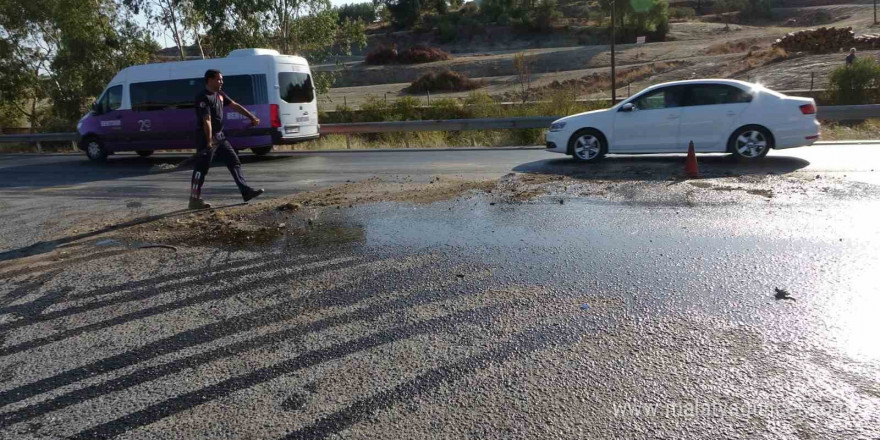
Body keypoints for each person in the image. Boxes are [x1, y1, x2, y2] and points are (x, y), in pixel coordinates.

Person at [189, 69, 265, 209]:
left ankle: (246, 191)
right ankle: (194, 199)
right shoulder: (203, 97)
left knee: (234, 161)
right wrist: (208, 141)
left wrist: (251, 117)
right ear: (210, 80)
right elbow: (207, 121)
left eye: (221, 79)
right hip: (205, 137)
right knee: (201, 168)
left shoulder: (220, 94)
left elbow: (235, 105)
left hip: (220, 136)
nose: (221, 82)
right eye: (219, 79)